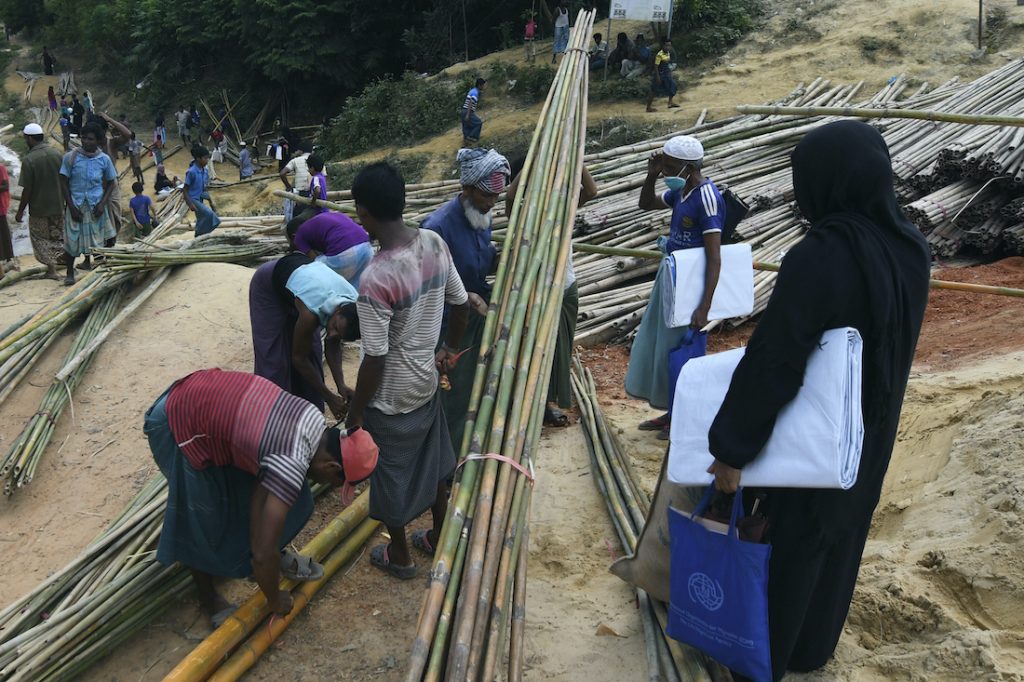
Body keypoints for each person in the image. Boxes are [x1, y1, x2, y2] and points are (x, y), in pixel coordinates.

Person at [706, 121, 930, 682]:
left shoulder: (823, 254)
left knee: (790, 541)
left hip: (807, 439)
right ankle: (812, 648)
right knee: (839, 536)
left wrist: (731, 448)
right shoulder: (910, 248)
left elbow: (776, 359)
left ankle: (764, 661)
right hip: (867, 437)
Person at [144, 368, 379, 627]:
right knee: (203, 516)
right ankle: (208, 599)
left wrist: (265, 551)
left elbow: (261, 496)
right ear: (332, 467)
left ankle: (259, 563)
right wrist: (275, 598)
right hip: (177, 422)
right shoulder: (290, 460)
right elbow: (262, 554)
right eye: (337, 483)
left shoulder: (312, 419)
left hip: (202, 394)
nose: (332, 487)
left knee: (282, 501)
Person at [347, 162, 470, 578]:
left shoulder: (377, 277)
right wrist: (449, 349)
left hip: (392, 399)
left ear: (363, 212)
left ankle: (399, 555)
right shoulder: (434, 242)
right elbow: (461, 303)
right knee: (435, 465)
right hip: (427, 384)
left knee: (392, 478)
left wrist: (357, 413)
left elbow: (375, 358)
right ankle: (436, 535)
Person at [625, 135, 723, 439]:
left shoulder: (706, 197)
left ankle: (685, 417)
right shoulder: (682, 194)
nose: (666, 172)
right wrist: (651, 175)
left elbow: (715, 257)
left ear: (688, 167)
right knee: (666, 347)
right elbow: (646, 204)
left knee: (686, 350)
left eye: (669, 167)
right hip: (672, 277)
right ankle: (671, 411)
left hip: (692, 285)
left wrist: (705, 306)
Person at [421, 147, 506, 451]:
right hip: (445, 325)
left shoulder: (483, 218)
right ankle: (445, 457)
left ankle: (462, 447)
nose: (491, 203)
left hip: (475, 319)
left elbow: (484, 262)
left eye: (496, 198)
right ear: (467, 189)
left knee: (471, 387)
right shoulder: (436, 228)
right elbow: (424, 283)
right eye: (486, 197)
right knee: (449, 395)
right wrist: (465, 296)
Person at [505, 156, 598, 426]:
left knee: (558, 349)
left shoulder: (564, 208)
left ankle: (548, 402)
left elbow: (592, 191)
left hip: (565, 285)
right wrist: (537, 160)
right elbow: (511, 197)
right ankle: (529, 402)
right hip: (533, 291)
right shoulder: (523, 214)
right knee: (532, 347)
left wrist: (572, 154)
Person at [249, 245, 360, 416]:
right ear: (337, 311)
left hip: (301, 287)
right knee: (274, 361)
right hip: (270, 284)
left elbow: (332, 342)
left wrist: (341, 386)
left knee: (313, 356)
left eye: (340, 335)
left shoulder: (351, 306)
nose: (331, 334)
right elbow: (298, 359)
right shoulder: (311, 312)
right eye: (335, 328)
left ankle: (309, 419)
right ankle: (272, 419)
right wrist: (329, 398)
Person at [59, 121, 117, 284]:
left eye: (90, 139)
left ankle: (99, 271)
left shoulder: (104, 160)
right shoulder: (70, 157)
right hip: (76, 205)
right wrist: (70, 206)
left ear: (98, 141)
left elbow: (111, 182)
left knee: (99, 240)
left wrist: (102, 204)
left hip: (95, 206)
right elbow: (63, 181)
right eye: (83, 138)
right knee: (71, 240)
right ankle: (70, 273)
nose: (86, 142)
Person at [15, 123, 65, 280]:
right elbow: (65, 180)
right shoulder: (56, 154)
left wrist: (20, 211)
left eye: (25, 138)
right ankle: (62, 265)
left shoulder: (29, 160)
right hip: (58, 204)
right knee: (58, 236)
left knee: (41, 238)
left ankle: (51, 269)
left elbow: (27, 190)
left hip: (39, 208)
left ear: (30, 138)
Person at [288, 211, 373, 287]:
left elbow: (314, 261)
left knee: (317, 273)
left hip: (345, 254)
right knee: (356, 286)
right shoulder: (327, 217)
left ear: (293, 236)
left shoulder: (299, 236)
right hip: (367, 247)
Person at [184, 145, 220, 237]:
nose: (207, 160)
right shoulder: (191, 172)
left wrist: (210, 201)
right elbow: (185, 190)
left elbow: (204, 188)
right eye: (205, 158)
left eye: (208, 158)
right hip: (193, 199)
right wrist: (190, 204)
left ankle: (198, 237)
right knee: (210, 215)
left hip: (200, 198)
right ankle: (202, 234)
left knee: (200, 219)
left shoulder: (205, 171)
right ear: (198, 158)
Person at [647, 38, 679, 112]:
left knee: (672, 86)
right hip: (660, 73)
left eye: (669, 46)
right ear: (663, 46)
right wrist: (658, 77)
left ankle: (670, 102)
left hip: (666, 73)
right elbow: (656, 66)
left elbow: (667, 64)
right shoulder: (659, 55)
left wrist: (669, 73)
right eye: (667, 45)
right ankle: (648, 107)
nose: (668, 47)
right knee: (654, 90)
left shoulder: (668, 53)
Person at [280, 145, 311, 221]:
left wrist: (288, 187)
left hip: (301, 193)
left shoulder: (295, 160)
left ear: (301, 151)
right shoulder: (318, 161)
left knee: (297, 218)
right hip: (315, 194)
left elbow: (282, 173)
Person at [0, 162, 15, 277]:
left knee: (4, 233)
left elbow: (5, 186)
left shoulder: (1, 168)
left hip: (1, 206)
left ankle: (9, 258)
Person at [461, 78, 485, 146]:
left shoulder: (472, 91)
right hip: (468, 111)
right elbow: (471, 103)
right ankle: (471, 137)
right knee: (478, 123)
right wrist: (468, 114)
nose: (484, 87)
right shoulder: (475, 93)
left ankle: (465, 143)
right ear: (480, 85)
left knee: (466, 126)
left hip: (463, 110)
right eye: (483, 85)